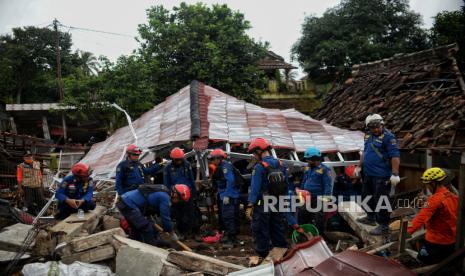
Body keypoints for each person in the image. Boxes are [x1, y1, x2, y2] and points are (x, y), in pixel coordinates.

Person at [246, 137, 303, 258]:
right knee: (277, 227)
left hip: (263, 203)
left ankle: (264, 254)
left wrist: (250, 205)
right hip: (278, 201)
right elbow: (286, 184)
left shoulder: (259, 167)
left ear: (258, 151)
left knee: (261, 229)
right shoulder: (280, 164)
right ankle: (281, 251)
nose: (254, 156)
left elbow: (255, 188)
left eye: (254, 153)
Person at [356, 114, 400, 235]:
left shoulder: (389, 138)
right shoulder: (367, 136)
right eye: (372, 127)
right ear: (368, 128)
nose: (376, 129)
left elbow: (395, 156)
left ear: (382, 124)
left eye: (377, 126)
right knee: (366, 196)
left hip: (382, 175)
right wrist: (359, 166)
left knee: (381, 200)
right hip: (368, 174)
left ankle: (384, 225)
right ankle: (370, 217)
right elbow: (365, 152)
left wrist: (395, 173)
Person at [408, 167, 458, 264]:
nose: (427, 188)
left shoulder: (434, 200)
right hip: (451, 242)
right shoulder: (454, 197)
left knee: (422, 264)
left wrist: (406, 232)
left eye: (427, 185)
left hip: (435, 243)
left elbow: (420, 218)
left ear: (433, 183)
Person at [117, 183, 190, 247]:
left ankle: (137, 246)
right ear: (175, 194)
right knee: (146, 227)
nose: (178, 202)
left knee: (137, 228)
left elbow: (149, 203)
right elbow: (165, 217)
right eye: (179, 199)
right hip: (128, 204)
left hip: (126, 202)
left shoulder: (164, 191)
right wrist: (171, 232)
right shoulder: (165, 198)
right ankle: (153, 250)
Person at [163, 147, 200, 237]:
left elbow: (191, 179)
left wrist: (194, 192)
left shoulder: (186, 165)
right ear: (173, 159)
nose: (179, 161)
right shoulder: (168, 168)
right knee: (179, 214)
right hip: (176, 195)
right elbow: (166, 183)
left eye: (181, 159)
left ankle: (194, 232)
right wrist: (170, 195)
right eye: (177, 160)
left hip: (188, 193)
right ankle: (182, 232)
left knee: (191, 212)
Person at [209, 148, 240, 248]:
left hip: (228, 196)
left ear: (218, 158)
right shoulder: (223, 166)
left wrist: (227, 195)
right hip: (229, 194)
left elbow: (230, 181)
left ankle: (232, 240)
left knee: (228, 217)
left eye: (213, 159)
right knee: (232, 217)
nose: (212, 161)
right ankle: (232, 237)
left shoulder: (225, 167)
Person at [299, 147, 333, 233]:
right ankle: (303, 232)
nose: (307, 162)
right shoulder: (307, 168)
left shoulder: (325, 170)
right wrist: (301, 192)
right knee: (302, 214)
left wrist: (325, 201)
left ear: (315, 159)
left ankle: (320, 235)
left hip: (319, 198)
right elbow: (304, 180)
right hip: (307, 197)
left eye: (309, 160)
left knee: (318, 218)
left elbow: (328, 186)